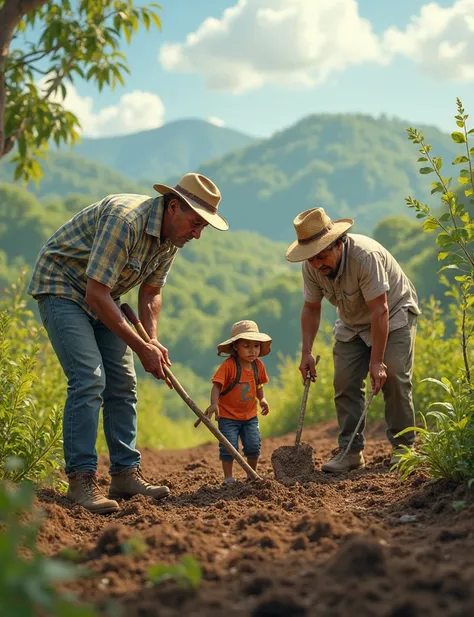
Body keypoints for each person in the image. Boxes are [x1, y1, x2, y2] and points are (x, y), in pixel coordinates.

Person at [28, 173, 228, 513]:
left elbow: (151, 292)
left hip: (106, 297)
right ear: (174, 207)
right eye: (195, 223)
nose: (197, 233)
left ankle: (124, 473)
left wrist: (152, 340)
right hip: (64, 289)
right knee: (89, 379)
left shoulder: (171, 238)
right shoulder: (126, 220)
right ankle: (81, 481)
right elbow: (95, 292)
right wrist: (140, 348)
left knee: (123, 385)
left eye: (203, 228)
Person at [286, 207, 420, 473]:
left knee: (392, 375)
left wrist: (377, 361)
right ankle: (350, 451)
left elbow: (379, 310)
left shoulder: (364, 257)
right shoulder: (312, 266)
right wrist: (307, 352)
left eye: (322, 255)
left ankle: (404, 448)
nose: (317, 264)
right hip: (351, 322)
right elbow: (311, 308)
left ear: (338, 244)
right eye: (311, 258)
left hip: (391, 314)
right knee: (344, 381)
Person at [204, 320, 271, 484]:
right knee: (229, 447)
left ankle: (252, 475)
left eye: (256, 346)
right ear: (235, 347)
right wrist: (214, 404)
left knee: (254, 446)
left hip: (250, 416)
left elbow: (258, 384)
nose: (252, 350)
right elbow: (217, 385)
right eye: (246, 346)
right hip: (228, 417)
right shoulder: (228, 366)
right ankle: (228, 478)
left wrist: (261, 399)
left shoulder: (258, 366)